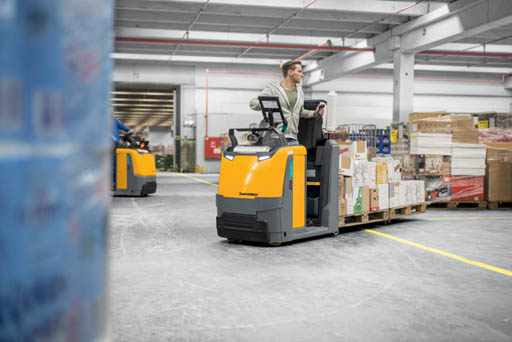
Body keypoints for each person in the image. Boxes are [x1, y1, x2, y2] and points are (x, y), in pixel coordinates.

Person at [249, 60, 324, 145]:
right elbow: (253, 103)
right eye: (299, 71)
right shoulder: (273, 89)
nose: (302, 75)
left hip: (293, 138)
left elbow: (300, 112)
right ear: (290, 72)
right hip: (276, 138)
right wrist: (267, 104)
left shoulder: (300, 92)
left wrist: (314, 113)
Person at [111, 116, 132, 189]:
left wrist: (129, 129)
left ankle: (119, 182)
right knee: (112, 164)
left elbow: (121, 126)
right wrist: (117, 141)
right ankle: (112, 183)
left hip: (116, 145)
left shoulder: (114, 120)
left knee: (118, 163)